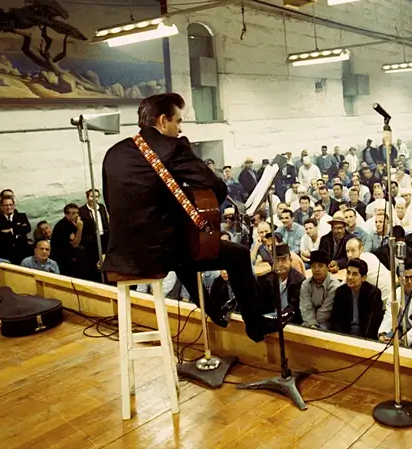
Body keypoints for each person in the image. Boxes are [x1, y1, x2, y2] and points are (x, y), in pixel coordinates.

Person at [102, 93, 289, 343]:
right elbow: (217, 188)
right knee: (238, 254)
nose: (180, 129)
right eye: (178, 121)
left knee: (185, 246)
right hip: (157, 255)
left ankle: (212, 309)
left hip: (120, 254)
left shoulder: (114, 153)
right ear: (162, 121)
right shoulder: (173, 147)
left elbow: (112, 201)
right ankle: (254, 325)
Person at [378, 261, 412, 347]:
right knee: (383, 343)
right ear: (399, 279)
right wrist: (382, 333)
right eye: (405, 278)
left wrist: (403, 341)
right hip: (399, 330)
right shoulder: (395, 294)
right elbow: (389, 316)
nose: (409, 281)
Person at [329, 258, 384, 339]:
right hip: (344, 336)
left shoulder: (373, 293)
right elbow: (336, 321)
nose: (350, 277)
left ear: (364, 278)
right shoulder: (340, 292)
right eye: (348, 273)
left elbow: (373, 324)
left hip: (366, 337)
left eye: (354, 274)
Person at [299, 249, 339, 329]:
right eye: (313, 266)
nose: (316, 269)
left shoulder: (334, 286)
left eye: (320, 266)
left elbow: (326, 311)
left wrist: (313, 324)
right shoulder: (306, 284)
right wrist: (311, 324)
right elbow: (305, 307)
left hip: (327, 322)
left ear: (327, 267)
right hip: (308, 320)